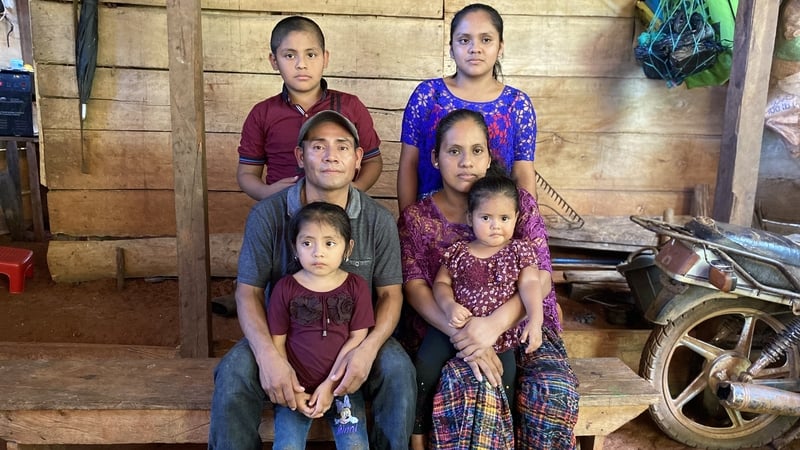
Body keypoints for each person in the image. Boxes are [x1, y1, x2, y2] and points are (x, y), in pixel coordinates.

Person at [210, 110, 415, 450]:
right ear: (300, 156)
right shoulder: (268, 214)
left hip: (354, 336)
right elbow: (247, 293)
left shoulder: (377, 219)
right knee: (232, 374)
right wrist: (268, 356)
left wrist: (367, 350)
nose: (331, 155)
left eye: (342, 147)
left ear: (358, 158)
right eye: (318, 146)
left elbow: (391, 295)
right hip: (285, 335)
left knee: (398, 372)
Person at [398, 109, 578, 449]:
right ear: (435, 158)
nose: (466, 161)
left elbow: (540, 275)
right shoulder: (417, 219)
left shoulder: (516, 202)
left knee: (552, 390)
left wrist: (494, 325)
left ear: (489, 156)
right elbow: (415, 285)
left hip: (526, 326)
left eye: (476, 150)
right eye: (454, 151)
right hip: (446, 329)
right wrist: (465, 334)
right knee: (473, 389)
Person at [411, 172, 547, 449]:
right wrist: (449, 306)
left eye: (504, 219)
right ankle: (418, 430)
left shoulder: (519, 252)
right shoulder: (459, 252)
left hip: (497, 339)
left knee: (504, 379)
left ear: (516, 218)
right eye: (486, 218)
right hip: (453, 331)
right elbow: (440, 283)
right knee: (424, 367)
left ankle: (505, 435)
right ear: (470, 217)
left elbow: (532, 284)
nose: (495, 226)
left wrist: (536, 318)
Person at [397, 3, 538, 213]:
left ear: (500, 47)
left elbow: (523, 173)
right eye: (464, 40)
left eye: (486, 40)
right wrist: (409, 225)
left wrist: (528, 229)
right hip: (432, 226)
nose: (475, 48)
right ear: (451, 48)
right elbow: (409, 164)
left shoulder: (516, 105)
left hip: (493, 228)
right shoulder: (428, 96)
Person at [237, 15, 382, 201]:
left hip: (339, 213)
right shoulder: (262, 113)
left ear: (325, 58)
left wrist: (354, 190)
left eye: (311, 54)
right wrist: (268, 194)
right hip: (283, 212)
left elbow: (373, 161)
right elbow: (246, 174)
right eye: (290, 55)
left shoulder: (350, 106)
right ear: (274, 61)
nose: (301, 64)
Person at [267, 201, 374, 449]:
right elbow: (277, 342)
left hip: (343, 389)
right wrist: (291, 387)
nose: (318, 252)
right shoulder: (285, 288)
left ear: (348, 248)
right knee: (287, 446)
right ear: (294, 247)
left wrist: (330, 385)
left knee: (354, 445)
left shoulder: (356, 287)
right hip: (295, 391)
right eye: (307, 243)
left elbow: (357, 339)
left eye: (329, 243)